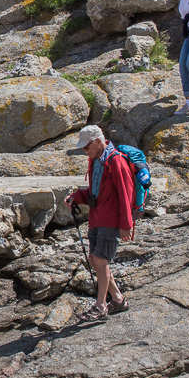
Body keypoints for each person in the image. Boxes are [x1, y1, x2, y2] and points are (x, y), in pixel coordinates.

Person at [64, 125, 133, 321]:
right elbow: (95, 192)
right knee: (95, 260)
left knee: (101, 260)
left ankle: (100, 305)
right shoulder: (96, 162)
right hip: (97, 217)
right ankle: (118, 299)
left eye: (86, 147)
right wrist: (77, 197)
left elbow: (125, 193)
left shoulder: (116, 161)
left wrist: (126, 224)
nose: (85, 151)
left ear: (97, 142)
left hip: (111, 220)